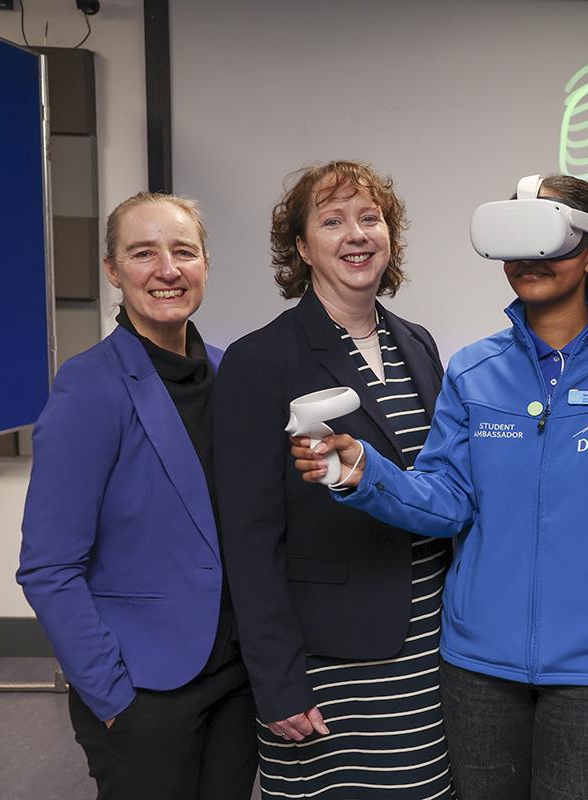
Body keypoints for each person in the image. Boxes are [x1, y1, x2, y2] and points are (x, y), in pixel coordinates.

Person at [290, 174, 588, 800]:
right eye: (515, 243)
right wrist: (367, 473)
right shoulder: (474, 367)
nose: (530, 259)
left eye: (548, 240)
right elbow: (447, 498)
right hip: (477, 664)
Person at [213, 161, 453, 799]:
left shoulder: (418, 344)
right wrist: (278, 680)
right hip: (326, 663)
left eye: (370, 218)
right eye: (333, 221)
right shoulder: (259, 360)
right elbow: (247, 536)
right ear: (301, 247)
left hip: (427, 652)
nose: (357, 235)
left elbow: (435, 484)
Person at [17, 192, 256, 800]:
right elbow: (48, 566)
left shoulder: (235, 375)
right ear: (111, 270)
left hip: (235, 679)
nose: (167, 270)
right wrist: (112, 695)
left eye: (183, 251)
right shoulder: (89, 385)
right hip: (145, 691)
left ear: (205, 263)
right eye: (142, 253)